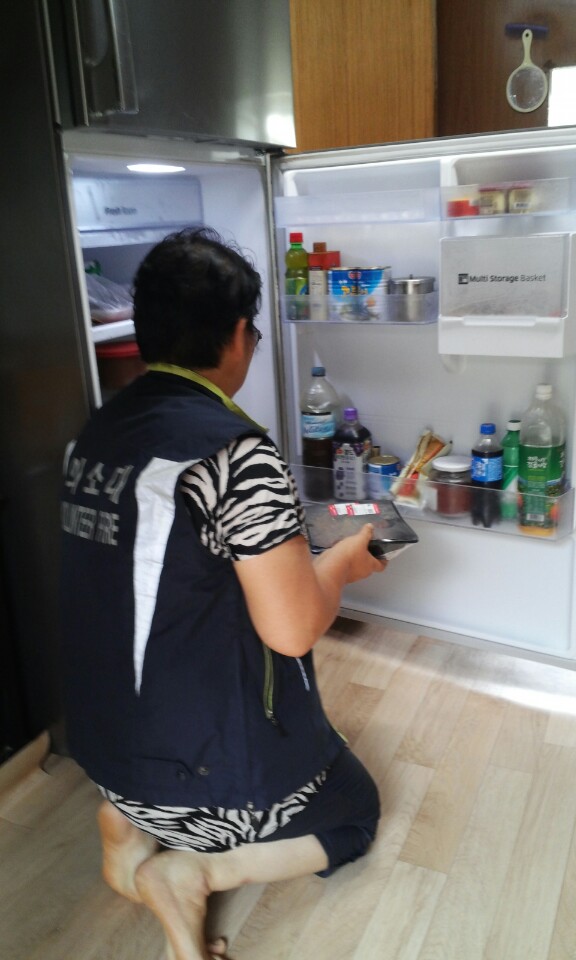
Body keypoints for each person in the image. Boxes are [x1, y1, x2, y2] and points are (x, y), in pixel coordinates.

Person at [60, 227, 388, 960]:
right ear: (240, 335)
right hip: (195, 783)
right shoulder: (236, 453)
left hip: (107, 754)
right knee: (355, 810)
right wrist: (341, 562)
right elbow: (293, 630)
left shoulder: (96, 433)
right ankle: (193, 869)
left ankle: (125, 822)